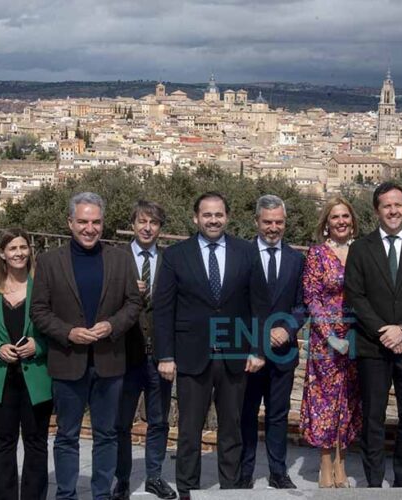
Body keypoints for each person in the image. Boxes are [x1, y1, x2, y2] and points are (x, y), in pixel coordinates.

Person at [153, 191, 266, 499]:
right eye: (207, 215)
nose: (213, 220)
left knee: (232, 429)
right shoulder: (176, 255)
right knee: (189, 431)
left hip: (234, 352)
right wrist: (165, 355)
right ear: (196, 218)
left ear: (226, 217)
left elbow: (259, 304)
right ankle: (188, 490)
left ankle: (229, 492)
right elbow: (164, 310)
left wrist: (257, 349)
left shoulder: (246, 252)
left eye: (218, 214)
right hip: (191, 354)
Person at [30, 192, 142, 500]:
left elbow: (134, 303)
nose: (89, 228)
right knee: (67, 436)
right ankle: (66, 494)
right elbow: (38, 310)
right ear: (70, 223)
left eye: (95, 222)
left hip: (109, 362)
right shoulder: (50, 261)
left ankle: (101, 494)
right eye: (82, 221)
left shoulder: (120, 258)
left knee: (107, 434)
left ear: (103, 224)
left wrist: (112, 326)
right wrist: (69, 333)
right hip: (68, 361)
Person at [344, 182, 402, 488]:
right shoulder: (361, 248)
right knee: (373, 418)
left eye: (398, 205)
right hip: (374, 346)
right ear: (376, 210)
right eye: (387, 206)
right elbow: (355, 297)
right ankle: (373, 480)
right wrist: (384, 331)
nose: (393, 211)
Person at [238, 195, 305, 489]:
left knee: (278, 415)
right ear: (257, 222)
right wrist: (264, 335)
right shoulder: (241, 256)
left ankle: (278, 472)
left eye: (278, 222)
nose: (273, 227)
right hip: (251, 351)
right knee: (247, 413)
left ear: (285, 222)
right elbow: (236, 305)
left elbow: (303, 305)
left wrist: (287, 329)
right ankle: (244, 472)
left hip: (284, 351)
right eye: (267, 222)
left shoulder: (296, 259)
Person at [112, 201, 178, 500]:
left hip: (159, 356)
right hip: (124, 355)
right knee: (121, 422)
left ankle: (154, 476)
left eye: (153, 222)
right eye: (142, 221)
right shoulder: (116, 259)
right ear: (133, 224)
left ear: (160, 228)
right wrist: (126, 291)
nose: (147, 227)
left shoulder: (169, 260)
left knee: (159, 421)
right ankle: (122, 480)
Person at [0, 229, 52, 500]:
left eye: (23, 247)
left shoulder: (42, 286)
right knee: (3, 445)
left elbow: (54, 330)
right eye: (13, 248)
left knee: (36, 444)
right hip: (0, 379)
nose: (19, 252)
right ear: (2, 254)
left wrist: (39, 345)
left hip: (37, 379)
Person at [300, 196, 363, 488]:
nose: (341, 222)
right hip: (326, 340)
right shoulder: (317, 253)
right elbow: (311, 297)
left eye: (346, 217)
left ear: (352, 223)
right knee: (324, 401)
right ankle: (326, 463)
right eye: (335, 217)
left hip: (357, 335)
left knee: (349, 400)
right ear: (326, 224)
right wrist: (331, 337)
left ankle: (342, 461)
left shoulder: (361, 252)